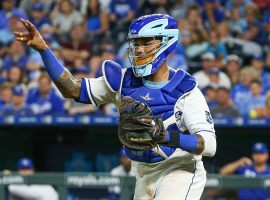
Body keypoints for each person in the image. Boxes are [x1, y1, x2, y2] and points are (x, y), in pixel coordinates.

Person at [14, 14, 216, 199]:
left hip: (180, 170)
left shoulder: (186, 89)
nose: (139, 49)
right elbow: (74, 90)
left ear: (167, 42)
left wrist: (167, 137)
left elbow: (208, 144)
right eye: (136, 43)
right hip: (144, 172)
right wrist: (44, 50)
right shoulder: (123, 80)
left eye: (146, 42)